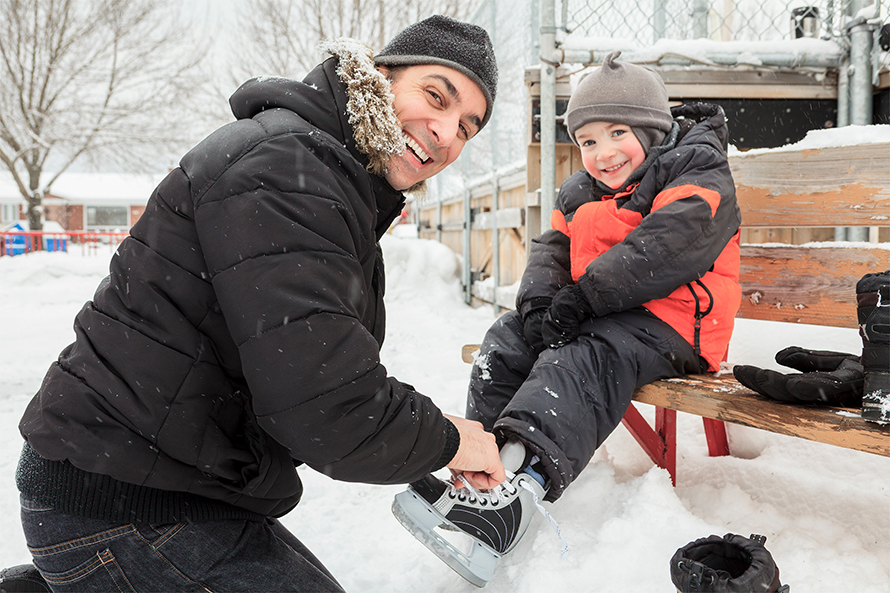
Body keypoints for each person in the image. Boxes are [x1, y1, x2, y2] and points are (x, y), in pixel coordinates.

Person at [11, 15, 504, 593]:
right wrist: (448, 440)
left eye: (467, 127)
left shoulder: (320, 172)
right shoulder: (287, 172)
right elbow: (326, 404)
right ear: (377, 77)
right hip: (122, 505)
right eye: (435, 96)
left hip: (165, 484)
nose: (446, 134)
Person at [394, 51, 742, 584]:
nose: (602, 154)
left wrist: (584, 298)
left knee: (582, 356)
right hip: (609, 312)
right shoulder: (579, 190)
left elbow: (672, 244)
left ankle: (522, 487)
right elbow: (552, 252)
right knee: (509, 341)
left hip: (677, 323)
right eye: (587, 141)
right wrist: (538, 306)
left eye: (617, 133)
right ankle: (484, 474)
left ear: (650, 130)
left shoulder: (694, 166)